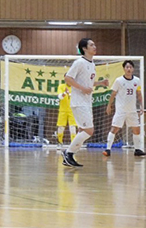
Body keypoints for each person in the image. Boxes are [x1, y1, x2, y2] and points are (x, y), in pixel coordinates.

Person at [62, 38, 110, 168]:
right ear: (84, 48)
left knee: (84, 130)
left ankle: (69, 156)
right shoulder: (79, 62)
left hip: (87, 102)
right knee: (89, 131)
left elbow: (87, 82)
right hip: (79, 102)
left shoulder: (92, 64)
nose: (95, 46)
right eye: (91, 45)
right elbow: (68, 78)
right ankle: (68, 153)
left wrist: (100, 83)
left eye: (94, 44)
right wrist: (83, 89)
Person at [104, 60, 145, 157]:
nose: (129, 69)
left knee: (136, 129)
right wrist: (109, 105)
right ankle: (108, 149)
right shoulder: (119, 81)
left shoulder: (137, 80)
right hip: (121, 110)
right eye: (127, 67)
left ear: (133, 69)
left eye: (130, 67)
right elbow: (113, 94)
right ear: (124, 69)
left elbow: (139, 94)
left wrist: (141, 106)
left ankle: (137, 149)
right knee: (114, 128)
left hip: (132, 110)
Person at [55, 80, 77, 145]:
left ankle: (73, 143)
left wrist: (69, 93)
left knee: (72, 127)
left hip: (72, 110)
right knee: (61, 127)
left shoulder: (75, 87)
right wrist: (65, 93)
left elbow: (75, 98)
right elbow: (60, 97)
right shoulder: (61, 86)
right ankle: (59, 142)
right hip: (63, 110)